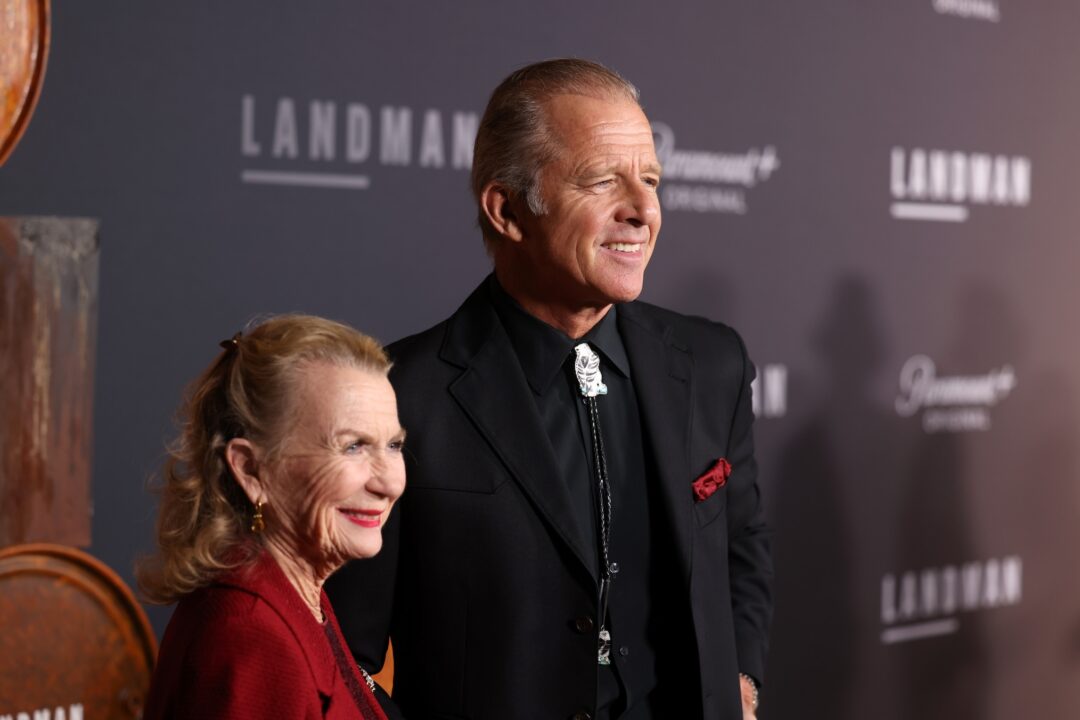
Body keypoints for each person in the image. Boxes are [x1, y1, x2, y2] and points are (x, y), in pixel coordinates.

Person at [327, 58, 773, 720]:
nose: (643, 210)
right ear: (507, 210)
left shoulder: (713, 364)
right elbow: (341, 660)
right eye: (603, 181)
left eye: (651, 179)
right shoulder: (401, 395)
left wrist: (737, 678)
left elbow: (741, 552)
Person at [138, 315, 406, 720]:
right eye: (352, 446)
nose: (390, 483)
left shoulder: (298, 591)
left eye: (394, 444)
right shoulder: (249, 638)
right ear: (251, 470)